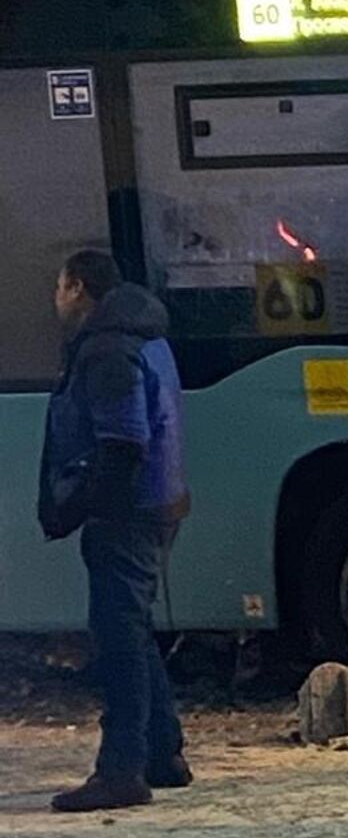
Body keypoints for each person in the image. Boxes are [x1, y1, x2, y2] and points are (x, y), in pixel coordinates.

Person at [37, 250, 192, 813]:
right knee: (133, 628)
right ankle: (162, 752)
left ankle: (122, 770)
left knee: (118, 639)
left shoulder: (106, 349)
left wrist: (84, 505)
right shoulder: (144, 335)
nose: (56, 298)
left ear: (77, 288)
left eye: (59, 286)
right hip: (159, 504)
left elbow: (123, 444)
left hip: (125, 516)